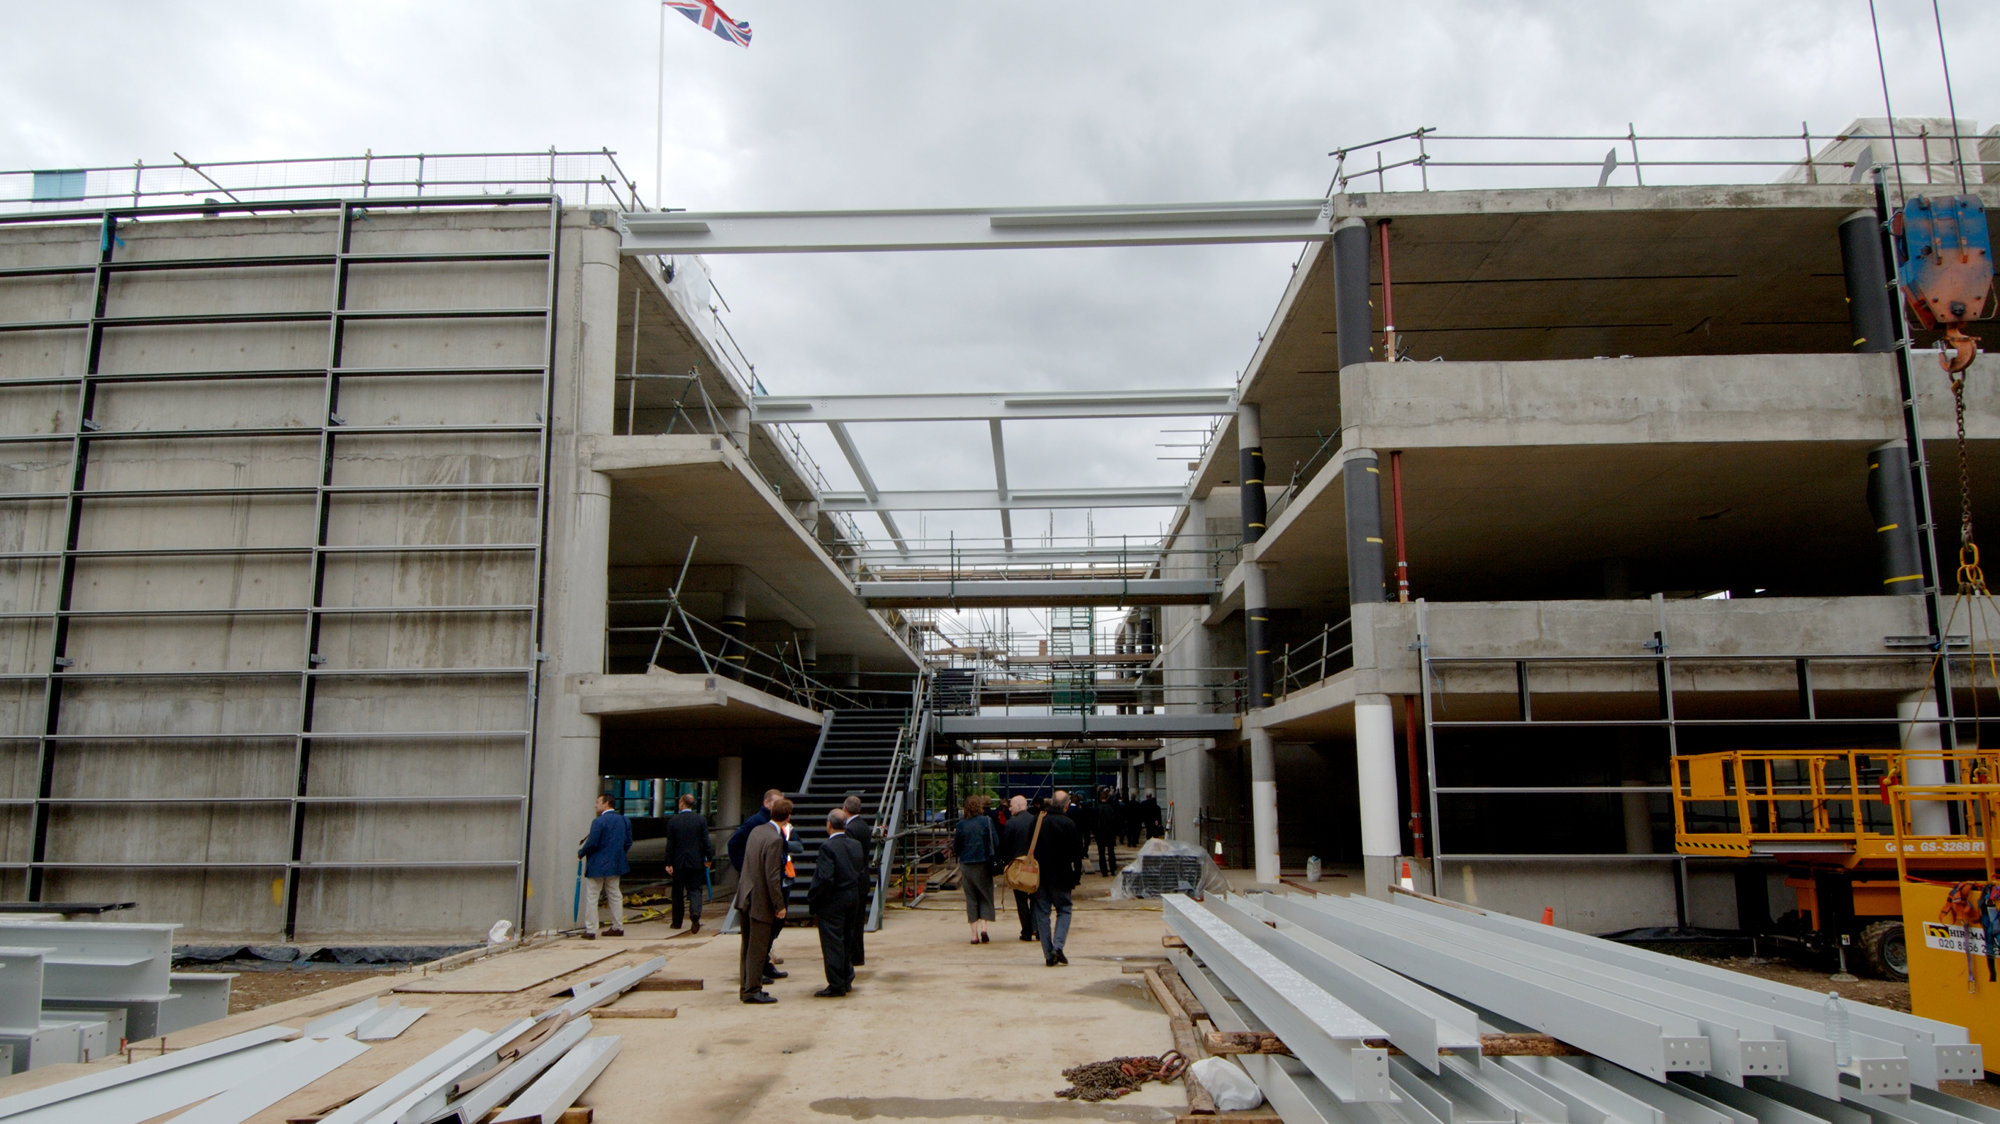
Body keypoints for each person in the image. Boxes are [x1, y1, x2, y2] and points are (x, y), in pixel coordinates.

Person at [734, 797, 792, 1004]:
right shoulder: (775, 840)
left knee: (747, 946)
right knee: (758, 948)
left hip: (746, 895)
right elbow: (772, 876)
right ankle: (752, 990)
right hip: (760, 900)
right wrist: (779, 905)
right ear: (787, 817)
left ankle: (746, 986)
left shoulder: (757, 831)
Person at [808, 808, 868, 997]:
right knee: (847, 939)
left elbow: (825, 878)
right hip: (852, 896)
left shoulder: (828, 847)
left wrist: (816, 899)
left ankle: (836, 983)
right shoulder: (855, 845)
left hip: (833, 900)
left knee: (832, 942)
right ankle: (846, 977)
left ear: (829, 825)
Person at [1031, 789, 1087, 966]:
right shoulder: (1068, 823)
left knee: (1042, 913)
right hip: (1062, 875)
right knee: (1064, 909)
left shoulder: (1038, 821)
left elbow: (1029, 846)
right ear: (1066, 805)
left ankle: (1048, 954)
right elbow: (1077, 853)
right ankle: (1058, 946)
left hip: (1040, 876)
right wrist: (1076, 876)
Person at [576, 793, 633, 939]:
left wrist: (581, 853)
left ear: (606, 803)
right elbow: (628, 842)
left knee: (592, 897)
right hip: (615, 864)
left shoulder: (598, 822)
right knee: (615, 895)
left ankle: (591, 930)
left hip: (597, 865)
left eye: (598, 802)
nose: (595, 805)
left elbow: (592, 843)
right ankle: (617, 927)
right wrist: (618, 855)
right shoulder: (624, 820)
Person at [952, 794, 1000, 944]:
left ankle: (974, 935)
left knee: (971, 897)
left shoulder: (961, 825)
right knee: (985, 894)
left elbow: (956, 847)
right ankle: (984, 927)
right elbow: (996, 841)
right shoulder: (987, 821)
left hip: (967, 864)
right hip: (984, 862)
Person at [663, 793, 713, 933]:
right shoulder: (700, 820)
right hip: (696, 861)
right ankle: (695, 913)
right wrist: (709, 858)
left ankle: (677, 922)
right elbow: (706, 841)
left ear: (682, 803)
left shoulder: (673, 821)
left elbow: (670, 844)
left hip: (678, 862)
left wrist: (668, 863)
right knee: (695, 889)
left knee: (677, 892)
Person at [997, 795, 1038, 942]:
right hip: (1035, 865)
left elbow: (1004, 845)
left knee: (1021, 900)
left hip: (1017, 866)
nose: (1009, 809)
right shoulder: (1037, 821)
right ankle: (1037, 928)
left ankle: (1026, 931)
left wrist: (1005, 863)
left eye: (1011, 806)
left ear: (1019, 806)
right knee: (1036, 898)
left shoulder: (1011, 823)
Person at [840, 794, 872, 967]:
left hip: (855, 877)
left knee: (851, 921)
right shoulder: (864, 826)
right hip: (863, 876)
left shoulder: (850, 829)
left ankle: (853, 955)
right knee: (858, 920)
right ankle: (858, 955)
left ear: (845, 809)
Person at [728, 789, 784, 873]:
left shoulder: (777, 821)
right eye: (776, 803)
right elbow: (734, 843)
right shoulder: (756, 822)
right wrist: (745, 868)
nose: (780, 807)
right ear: (766, 803)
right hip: (760, 871)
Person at [1092, 787, 1120, 876]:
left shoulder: (1096, 809)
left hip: (1100, 833)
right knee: (1111, 852)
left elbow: (1093, 822)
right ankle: (1112, 869)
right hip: (1110, 833)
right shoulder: (1111, 808)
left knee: (1101, 853)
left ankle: (1104, 871)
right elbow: (1115, 821)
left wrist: (1094, 832)